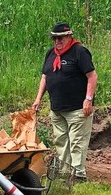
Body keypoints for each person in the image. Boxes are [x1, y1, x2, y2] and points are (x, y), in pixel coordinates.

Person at [32, 22, 97, 182]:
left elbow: (92, 76)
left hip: (77, 108)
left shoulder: (79, 52)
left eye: (61, 38)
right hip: (57, 108)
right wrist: (38, 98)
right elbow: (45, 77)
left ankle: (78, 175)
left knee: (77, 141)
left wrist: (88, 99)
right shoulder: (51, 54)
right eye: (54, 38)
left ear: (69, 36)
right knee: (61, 140)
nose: (57, 42)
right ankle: (65, 171)